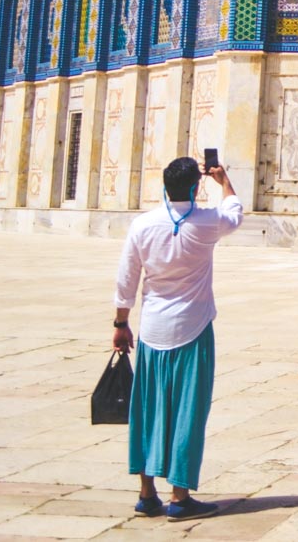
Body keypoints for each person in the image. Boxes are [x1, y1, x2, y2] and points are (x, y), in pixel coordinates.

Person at [112, 156, 243, 520]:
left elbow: (127, 278)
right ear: (195, 187)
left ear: (163, 187)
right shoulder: (207, 223)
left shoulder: (143, 224)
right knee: (188, 410)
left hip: (153, 330)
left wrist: (120, 323)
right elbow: (235, 211)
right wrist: (224, 181)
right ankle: (180, 496)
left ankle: (146, 491)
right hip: (193, 328)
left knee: (148, 408)